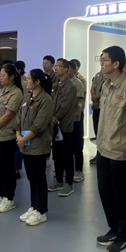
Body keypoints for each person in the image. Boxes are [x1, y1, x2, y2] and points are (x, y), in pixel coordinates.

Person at [95, 46, 126, 252]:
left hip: (120, 150)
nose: (101, 63)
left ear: (116, 63)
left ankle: (125, 237)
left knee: (121, 195)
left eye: (105, 60)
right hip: (103, 148)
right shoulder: (106, 85)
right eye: (101, 59)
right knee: (105, 191)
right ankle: (113, 229)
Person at [0, 63, 24, 213]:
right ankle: (0, 194)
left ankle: (9, 197)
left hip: (6, 136)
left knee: (7, 167)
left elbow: (8, 115)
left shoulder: (16, 93)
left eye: (3, 75)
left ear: (12, 77)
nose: (0, 77)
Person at [17, 69, 54, 226]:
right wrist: (19, 135)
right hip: (25, 144)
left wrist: (23, 139)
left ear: (37, 82)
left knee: (39, 178)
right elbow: (19, 118)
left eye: (29, 79)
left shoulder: (46, 100)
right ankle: (33, 206)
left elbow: (39, 125)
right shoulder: (27, 97)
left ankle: (41, 210)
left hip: (38, 145)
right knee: (31, 177)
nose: (26, 81)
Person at [48, 58, 78, 197]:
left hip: (64, 126)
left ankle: (69, 183)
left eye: (58, 66)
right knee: (56, 155)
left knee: (66, 155)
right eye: (55, 66)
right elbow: (50, 103)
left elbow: (65, 106)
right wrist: (50, 116)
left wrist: (55, 117)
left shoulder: (71, 87)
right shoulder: (55, 85)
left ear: (66, 69)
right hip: (54, 125)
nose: (56, 68)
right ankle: (58, 180)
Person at [68, 60, 85, 183]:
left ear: (74, 70)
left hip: (75, 117)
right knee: (66, 145)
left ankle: (79, 170)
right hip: (64, 119)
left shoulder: (78, 83)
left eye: (67, 69)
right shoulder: (61, 83)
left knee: (77, 144)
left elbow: (75, 101)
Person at [89, 65, 107, 164]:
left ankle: (104, 155)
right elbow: (93, 88)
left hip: (104, 107)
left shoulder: (110, 76)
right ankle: (98, 154)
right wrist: (94, 99)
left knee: (104, 132)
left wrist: (97, 98)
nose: (102, 63)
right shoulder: (97, 75)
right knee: (97, 131)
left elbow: (107, 90)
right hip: (96, 107)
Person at [14, 60, 27, 178]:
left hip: (19, 117)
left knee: (19, 144)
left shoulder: (23, 83)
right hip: (10, 120)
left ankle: (16, 169)